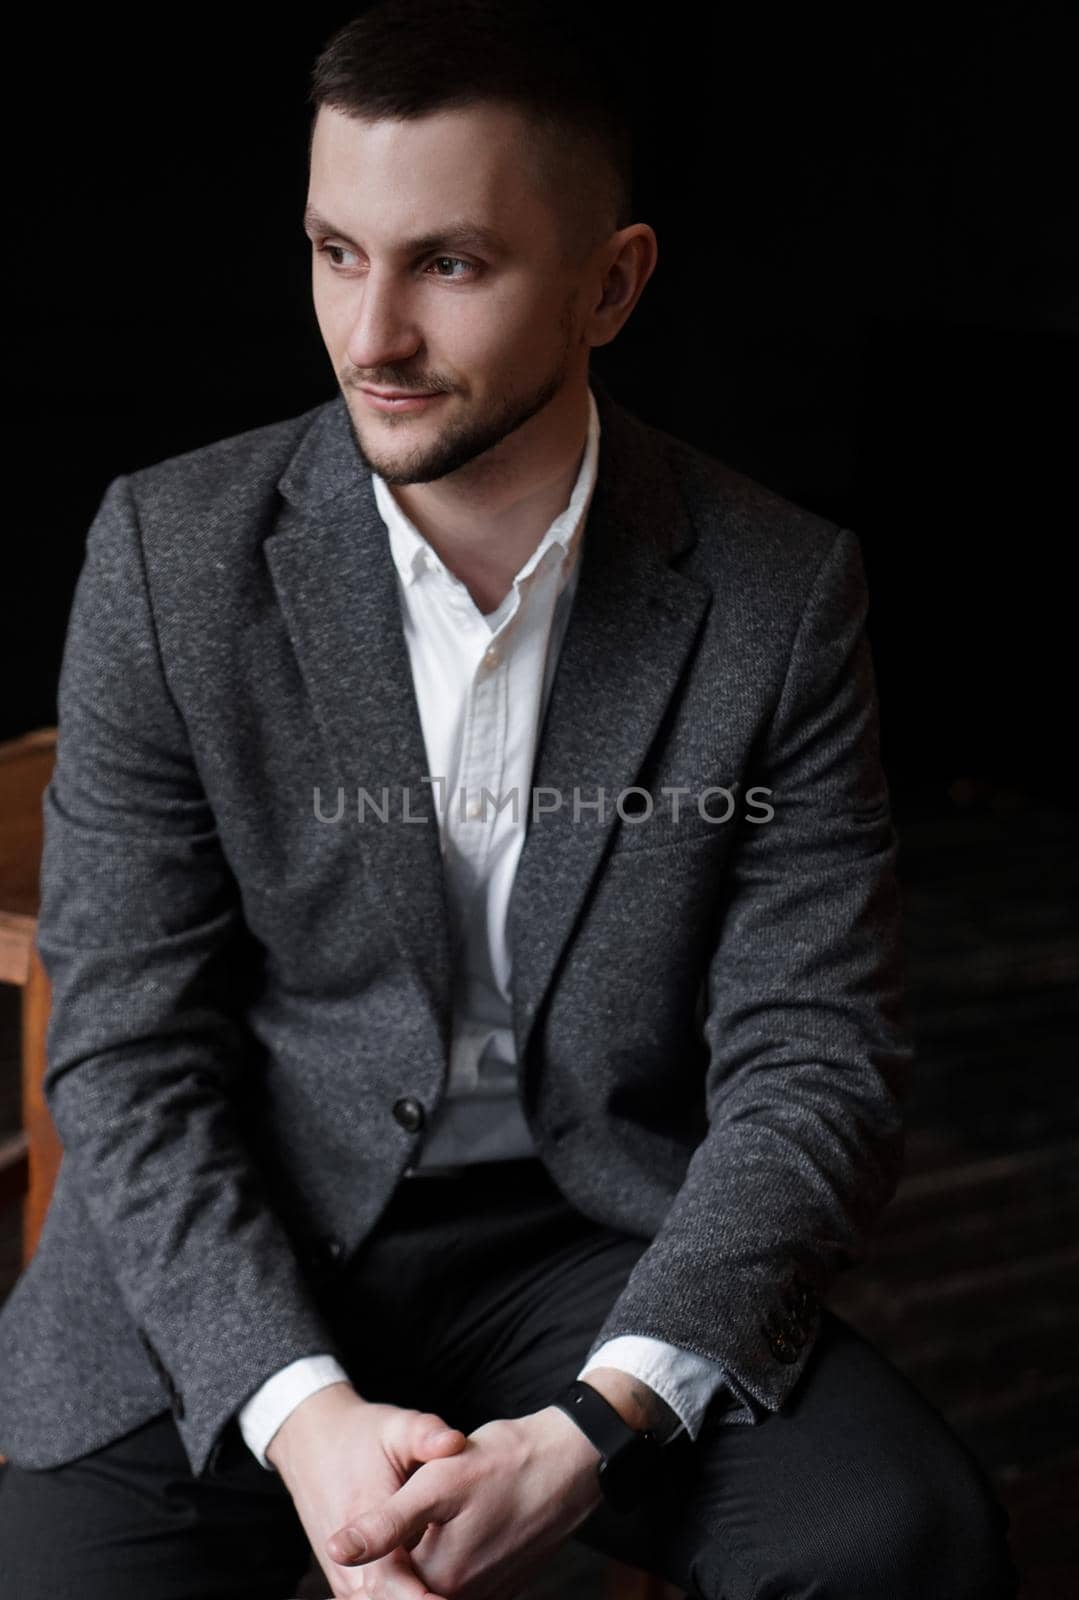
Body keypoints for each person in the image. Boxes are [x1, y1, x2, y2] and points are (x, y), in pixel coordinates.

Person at [0, 3, 1019, 1596]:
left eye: (448, 265)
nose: (371, 336)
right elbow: (130, 1050)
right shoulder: (168, 553)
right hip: (242, 1231)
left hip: (590, 1234)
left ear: (612, 283)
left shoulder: (778, 592)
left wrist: (588, 1433)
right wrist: (309, 1416)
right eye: (338, 253)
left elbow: (814, 1062)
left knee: (905, 1540)